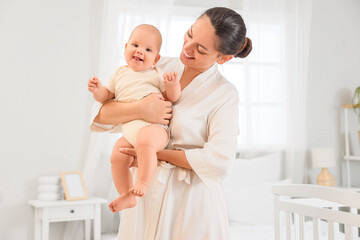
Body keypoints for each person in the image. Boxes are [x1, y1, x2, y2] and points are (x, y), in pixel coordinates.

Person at [90, 7, 252, 240]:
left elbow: (219, 161)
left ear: (223, 58)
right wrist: (141, 108)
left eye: (201, 49)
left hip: (190, 201)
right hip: (144, 197)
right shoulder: (156, 65)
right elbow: (102, 114)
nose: (187, 48)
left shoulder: (224, 94)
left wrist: (156, 154)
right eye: (189, 34)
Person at [88, 24, 181, 213]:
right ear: (125, 48)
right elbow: (106, 97)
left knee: (145, 142)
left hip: (154, 127)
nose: (140, 51)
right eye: (135, 45)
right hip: (130, 130)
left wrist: (173, 85)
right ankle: (127, 195)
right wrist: (97, 90)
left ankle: (143, 183)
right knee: (116, 156)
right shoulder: (119, 74)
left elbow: (172, 97)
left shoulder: (155, 74)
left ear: (155, 59)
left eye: (147, 49)